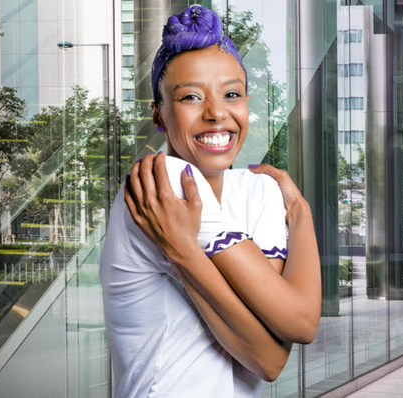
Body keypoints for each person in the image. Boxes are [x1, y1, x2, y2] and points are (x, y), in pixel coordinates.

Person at [100, 5, 321, 398]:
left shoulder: (258, 189)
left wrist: (300, 213)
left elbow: (289, 328)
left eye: (231, 94)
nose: (217, 113)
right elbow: (276, 352)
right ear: (159, 114)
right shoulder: (162, 182)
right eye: (190, 97)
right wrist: (183, 253)